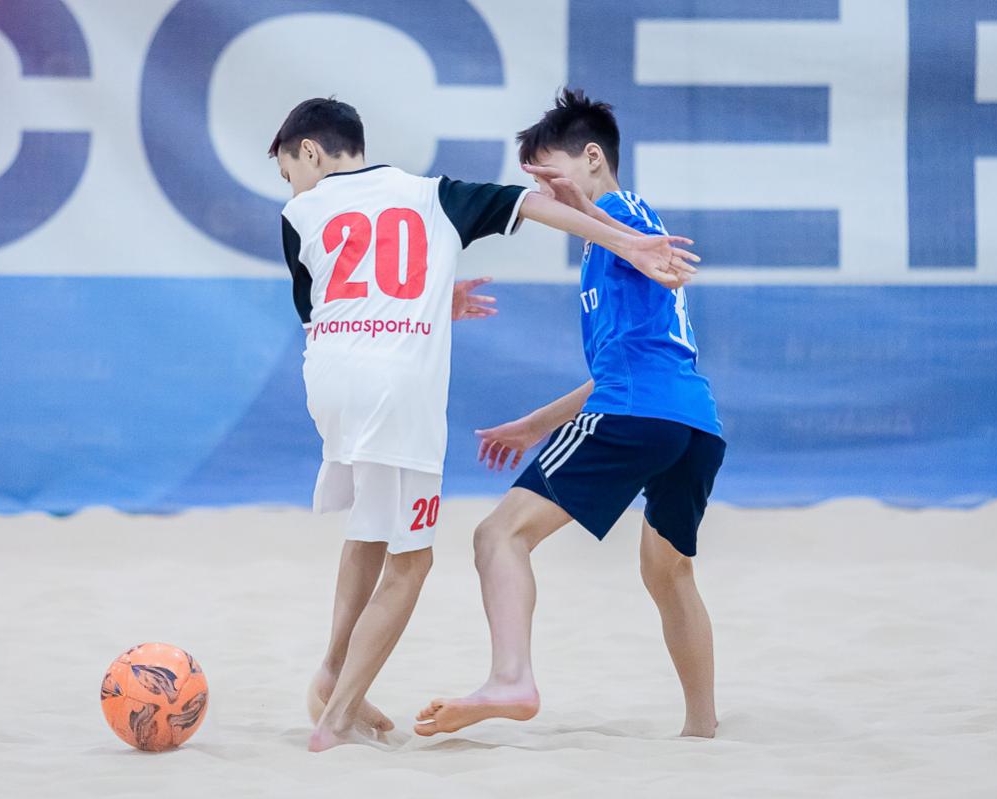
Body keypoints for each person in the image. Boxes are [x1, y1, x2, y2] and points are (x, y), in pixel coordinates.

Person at [270, 96, 698, 751]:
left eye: (287, 172)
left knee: (369, 528)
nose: (290, 185)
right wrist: (628, 242)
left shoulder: (298, 213)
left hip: (328, 383)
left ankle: (332, 675)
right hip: (397, 391)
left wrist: (430, 298)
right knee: (413, 562)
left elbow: (332, 302)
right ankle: (335, 719)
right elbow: (532, 207)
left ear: (308, 151)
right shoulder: (432, 193)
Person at [414, 89, 726, 740]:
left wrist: (583, 208)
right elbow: (628, 363)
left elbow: (651, 259)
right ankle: (702, 730)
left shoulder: (621, 214)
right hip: (691, 423)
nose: (542, 195)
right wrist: (536, 424)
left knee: (497, 536)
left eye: (548, 176)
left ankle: (510, 679)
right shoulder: (608, 244)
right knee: (667, 572)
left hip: (640, 416)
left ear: (592, 158)